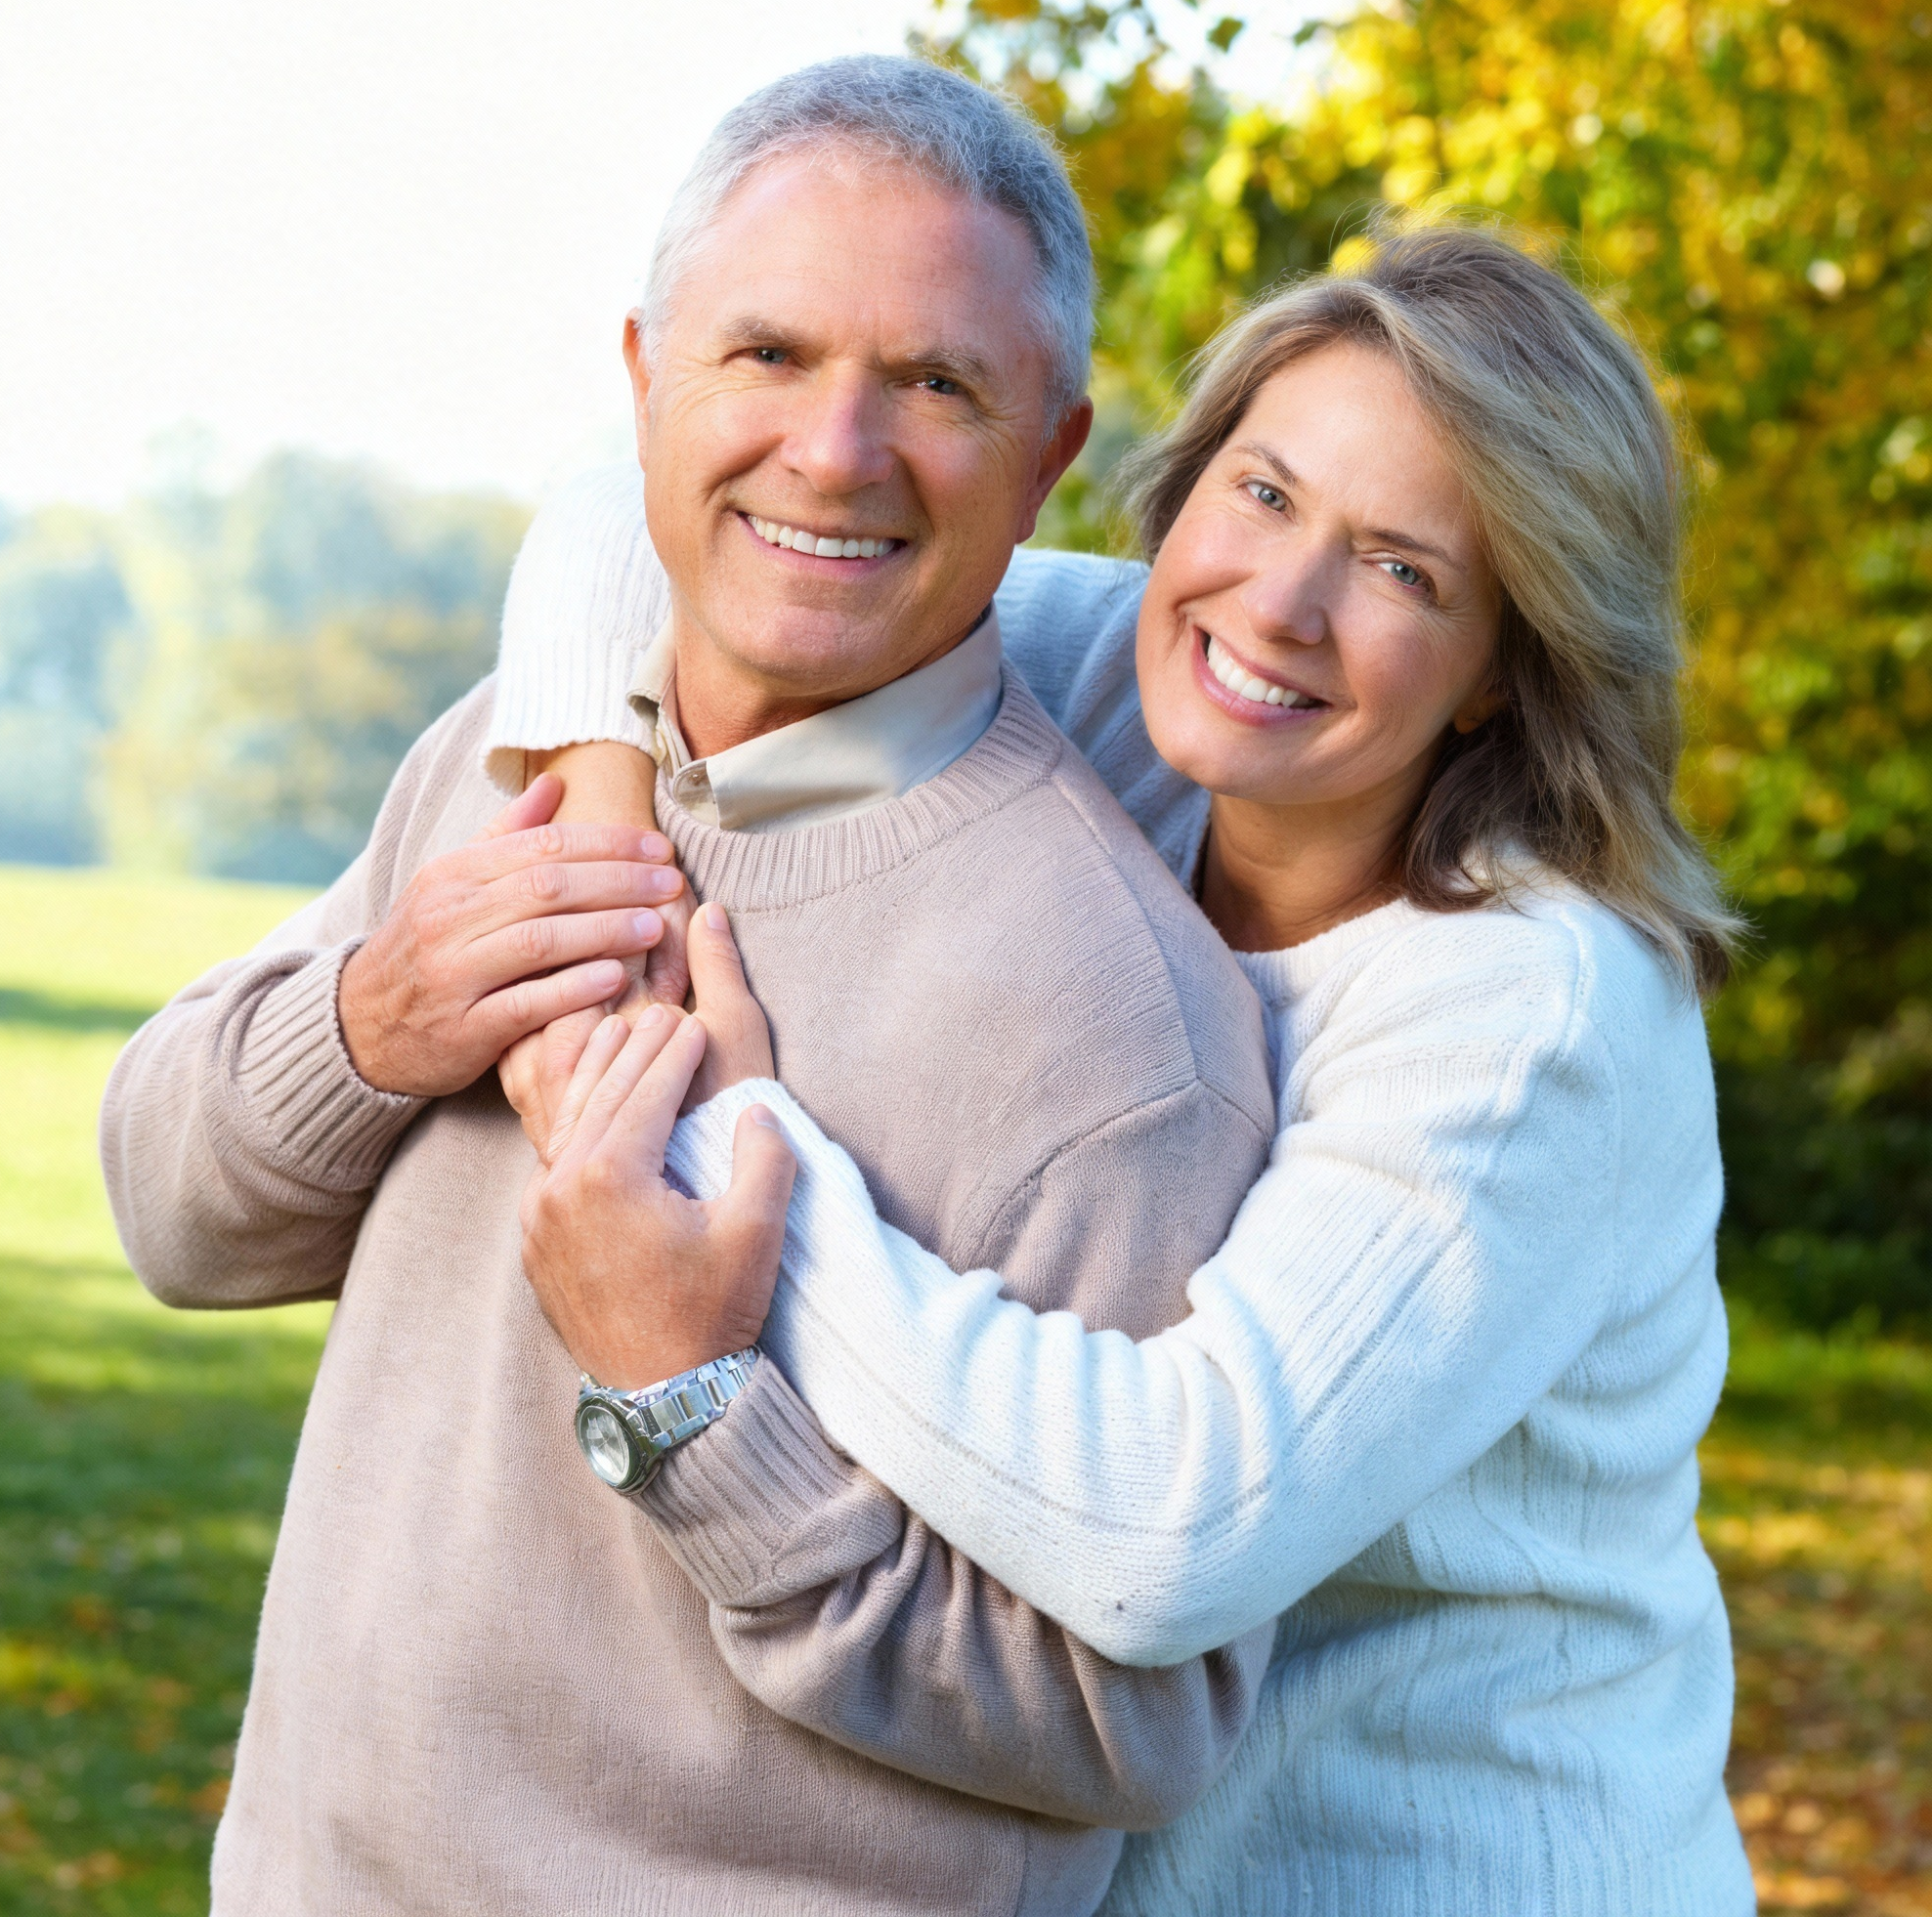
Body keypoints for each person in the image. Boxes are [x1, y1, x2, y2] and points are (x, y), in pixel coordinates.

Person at [100, 56, 1287, 1916]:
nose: (835, 450)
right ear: (647, 374)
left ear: (1052, 454)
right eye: (768, 355)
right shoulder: (509, 754)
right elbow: (171, 1219)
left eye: (936, 385)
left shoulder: (1118, 1026)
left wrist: (695, 1411)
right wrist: (372, 1026)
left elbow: (1127, 1726)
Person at [493, 225, 1757, 1914]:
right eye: (1264, 493)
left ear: (1501, 675)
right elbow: (628, 501)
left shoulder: (1532, 1007)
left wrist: (727, 1152)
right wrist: (605, 838)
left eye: (1403, 572)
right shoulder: (1116, 681)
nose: (1280, 605)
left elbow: (1171, 1529)